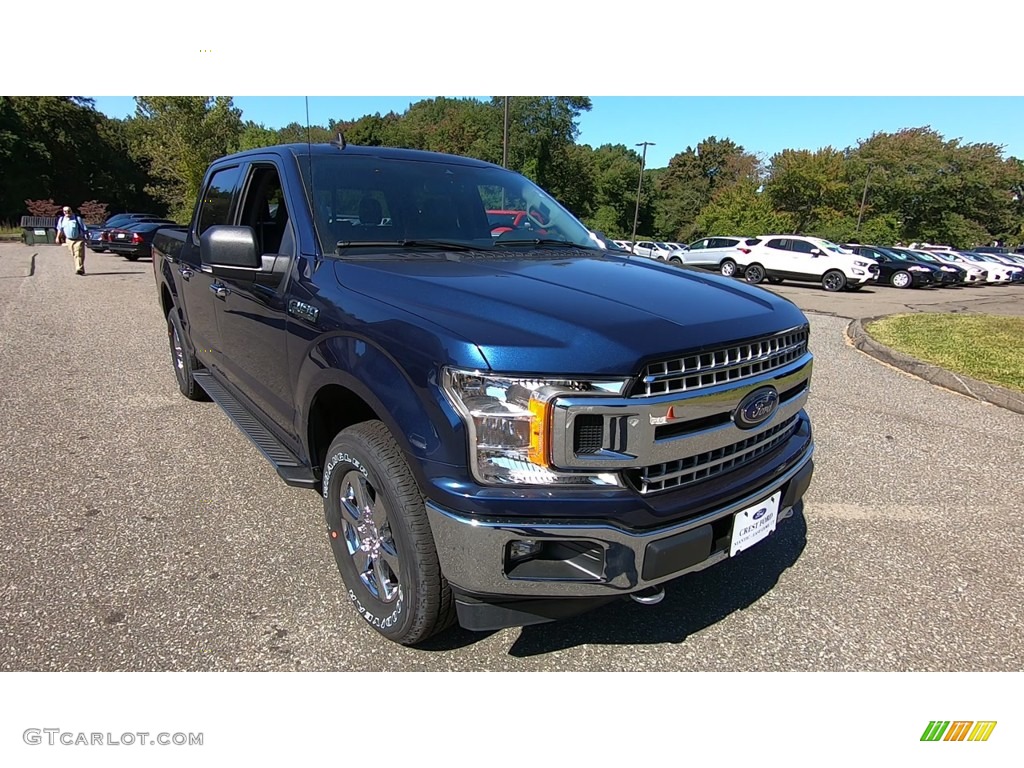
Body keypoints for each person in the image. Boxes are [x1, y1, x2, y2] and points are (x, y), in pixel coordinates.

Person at [56, 205, 88, 275]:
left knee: (78, 253)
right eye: (65, 211)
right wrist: (57, 237)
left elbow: (84, 229)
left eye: (68, 211)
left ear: (71, 211)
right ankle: (79, 267)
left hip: (79, 239)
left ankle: (79, 269)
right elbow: (59, 229)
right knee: (74, 254)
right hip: (69, 240)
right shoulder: (61, 220)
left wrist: (86, 238)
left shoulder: (77, 219)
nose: (67, 212)